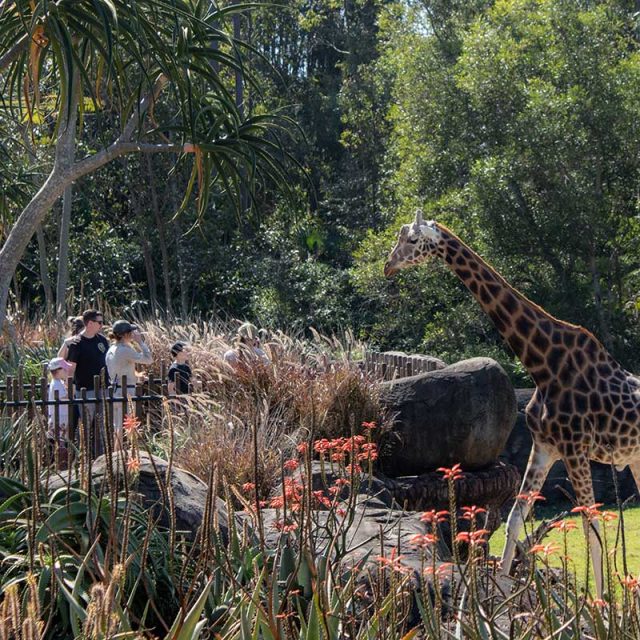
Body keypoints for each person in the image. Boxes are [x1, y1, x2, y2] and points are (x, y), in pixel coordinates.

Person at [66, 309, 110, 457]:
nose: (102, 325)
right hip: (85, 390)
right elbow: (71, 369)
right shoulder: (77, 343)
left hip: (103, 389)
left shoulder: (102, 340)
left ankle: (102, 457)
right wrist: (70, 388)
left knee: (103, 426)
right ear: (90, 323)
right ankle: (82, 457)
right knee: (85, 425)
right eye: (99, 322)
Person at [105, 320, 153, 448]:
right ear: (125, 334)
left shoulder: (112, 349)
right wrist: (140, 342)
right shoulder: (124, 350)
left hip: (116, 391)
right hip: (125, 392)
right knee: (125, 426)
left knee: (118, 427)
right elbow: (148, 359)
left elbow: (121, 369)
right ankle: (119, 457)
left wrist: (136, 376)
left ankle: (117, 455)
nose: (133, 334)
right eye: (131, 332)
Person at [46, 356, 73, 450]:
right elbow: (63, 398)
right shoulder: (56, 384)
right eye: (64, 369)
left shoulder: (59, 382)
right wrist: (72, 392)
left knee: (61, 437)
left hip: (62, 415)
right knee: (59, 439)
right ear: (58, 370)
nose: (66, 371)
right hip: (59, 416)